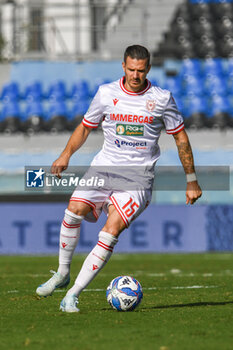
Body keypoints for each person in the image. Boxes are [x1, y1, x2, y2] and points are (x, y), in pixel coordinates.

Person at [36, 45, 202, 312]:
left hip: (138, 178)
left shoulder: (161, 99)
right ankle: (63, 273)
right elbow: (85, 126)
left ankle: (73, 295)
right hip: (103, 168)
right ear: (123, 67)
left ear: (148, 69)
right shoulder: (106, 93)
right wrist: (65, 155)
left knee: (110, 230)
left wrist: (191, 179)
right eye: (131, 69)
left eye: (141, 70)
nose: (135, 75)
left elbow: (180, 137)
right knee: (73, 210)